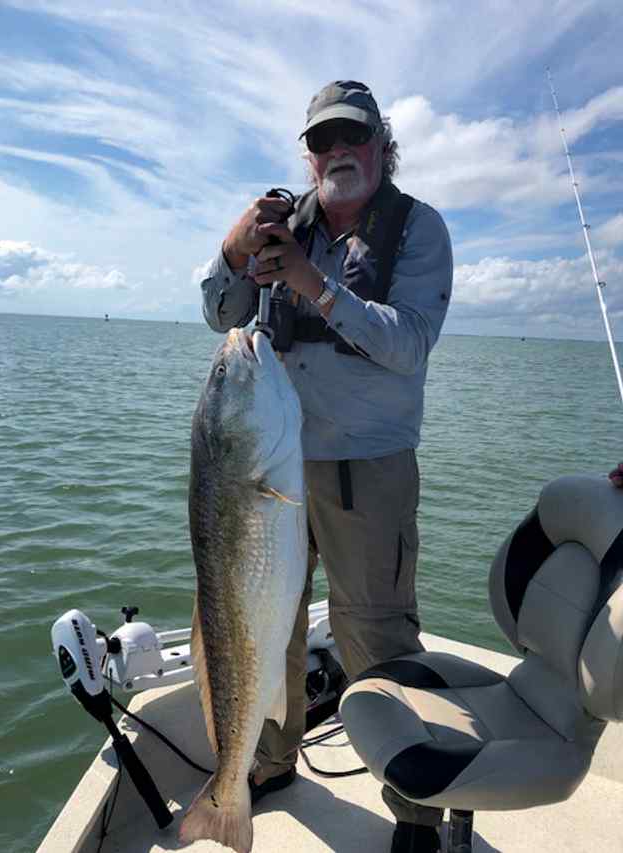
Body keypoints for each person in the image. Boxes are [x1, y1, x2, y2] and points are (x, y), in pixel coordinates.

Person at [199, 80, 453, 853]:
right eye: (322, 141)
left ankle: (415, 811)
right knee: (263, 625)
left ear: (382, 144)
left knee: (375, 635)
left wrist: (314, 283)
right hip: (271, 466)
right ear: (307, 156)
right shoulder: (286, 224)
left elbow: (409, 342)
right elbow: (219, 313)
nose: (338, 151)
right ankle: (267, 762)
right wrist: (234, 249)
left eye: (354, 136)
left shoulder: (418, 229)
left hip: (365, 469)